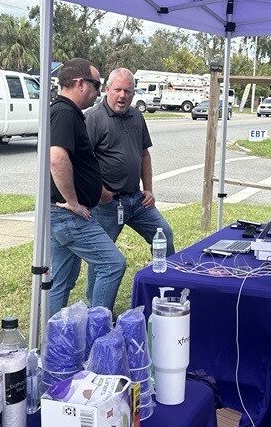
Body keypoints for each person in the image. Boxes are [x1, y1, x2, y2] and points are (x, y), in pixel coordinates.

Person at [85, 67, 175, 300]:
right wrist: (99, 191)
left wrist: (149, 189)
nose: (122, 96)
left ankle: (168, 292)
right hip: (107, 204)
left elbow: (144, 154)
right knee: (103, 259)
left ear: (134, 93)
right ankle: (97, 311)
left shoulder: (136, 116)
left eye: (128, 91)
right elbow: (83, 162)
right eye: (118, 90)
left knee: (163, 233)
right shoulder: (94, 118)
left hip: (136, 200)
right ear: (107, 90)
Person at [47, 58, 127, 315]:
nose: (98, 91)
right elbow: (56, 158)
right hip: (68, 215)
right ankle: (97, 332)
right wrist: (72, 201)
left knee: (60, 282)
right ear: (80, 83)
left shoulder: (67, 112)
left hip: (61, 214)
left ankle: (52, 338)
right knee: (113, 264)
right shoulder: (63, 112)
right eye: (96, 84)